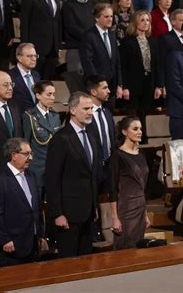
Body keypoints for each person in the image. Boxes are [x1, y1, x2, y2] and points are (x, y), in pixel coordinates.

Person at [45, 92, 99, 258]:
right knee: (69, 263)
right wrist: (57, 213)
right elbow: (52, 179)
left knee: (86, 261)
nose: (90, 112)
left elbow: (91, 175)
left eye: (91, 108)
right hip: (68, 215)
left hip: (88, 213)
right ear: (73, 110)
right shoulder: (61, 139)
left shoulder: (91, 135)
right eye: (86, 108)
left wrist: (94, 206)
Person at [0, 138, 45, 266]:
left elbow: (36, 207)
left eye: (31, 153)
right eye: (26, 154)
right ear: (14, 155)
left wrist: (40, 234)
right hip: (12, 245)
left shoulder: (30, 175)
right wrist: (4, 239)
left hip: (33, 243)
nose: (31, 158)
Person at [109, 116, 151, 249]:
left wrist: (145, 214)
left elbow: (142, 186)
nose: (139, 132)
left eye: (140, 129)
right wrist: (115, 218)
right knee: (124, 251)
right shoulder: (118, 156)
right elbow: (113, 189)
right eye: (135, 129)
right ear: (124, 132)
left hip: (140, 209)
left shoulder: (141, 154)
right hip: (126, 210)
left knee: (139, 251)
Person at [120, 10, 161, 142]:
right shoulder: (127, 42)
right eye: (142, 20)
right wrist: (124, 86)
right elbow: (123, 66)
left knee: (144, 112)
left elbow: (157, 65)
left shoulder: (153, 42)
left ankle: (143, 139)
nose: (145, 23)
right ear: (135, 22)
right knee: (133, 114)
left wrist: (159, 85)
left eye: (147, 20)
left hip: (149, 82)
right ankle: (130, 139)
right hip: (132, 83)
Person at [80, 3, 123, 109]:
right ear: (97, 18)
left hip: (111, 88)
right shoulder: (88, 36)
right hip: (96, 88)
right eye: (106, 16)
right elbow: (87, 62)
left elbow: (117, 62)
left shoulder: (112, 35)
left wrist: (120, 84)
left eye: (111, 16)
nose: (110, 19)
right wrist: (98, 84)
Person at [22, 80, 60, 199]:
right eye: (49, 94)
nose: (52, 98)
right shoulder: (29, 116)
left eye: (54, 94)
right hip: (37, 171)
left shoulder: (55, 115)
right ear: (38, 95)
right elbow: (26, 143)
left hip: (54, 170)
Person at [20, 0, 62, 79]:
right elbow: (25, 23)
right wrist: (25, 47)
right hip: (36, 48)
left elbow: (58, 22)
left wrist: (58, 45)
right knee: (35, 80)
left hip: (53, 49)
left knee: (48, 82)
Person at [61, 0, 95, 93]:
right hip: (76, 49)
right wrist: (91, 37)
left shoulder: (92, 5)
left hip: (91, 49)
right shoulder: (68, 6)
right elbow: (71, 28)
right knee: (77, 86)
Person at [86, 76, 115, 194]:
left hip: (109, 168)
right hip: (92, 169)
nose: (109, 91)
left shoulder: (107, 113)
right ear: (93, 92)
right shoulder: (84, 115)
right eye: (105, 88)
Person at [157, 8, 183, 87]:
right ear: (173, 22)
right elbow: (161, 63)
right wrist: (161, 84)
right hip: (171, 83)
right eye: (182, 21)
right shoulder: (165, 39)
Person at [9, 43, 41, 113]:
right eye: (30, 56)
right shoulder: (9, 76)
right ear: (19, 58)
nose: (34, 59)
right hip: (19, 118)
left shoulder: (36, 75)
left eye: (35, 56)